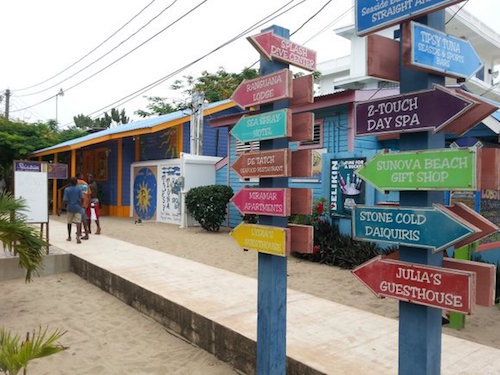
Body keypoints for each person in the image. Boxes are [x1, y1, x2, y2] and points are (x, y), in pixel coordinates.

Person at [61, 177, 83, 244]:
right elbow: (81, 198)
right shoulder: (79, 189)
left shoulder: (67, 189)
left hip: (70, 207)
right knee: (78, 222)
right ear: (76, 182)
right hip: (77, 207)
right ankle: (78, 236)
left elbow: (65, 200)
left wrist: (60, 208)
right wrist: (80, 205)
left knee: (69, 222)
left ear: (70, 183)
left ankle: (69, 236)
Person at [76, 172, 90, 240]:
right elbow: (89, 193)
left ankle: (81, 233)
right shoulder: (85, 184)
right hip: (85, 202)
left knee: (80, 219)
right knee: (82, 218)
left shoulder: (75, 183)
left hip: (78, 203)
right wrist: (88, 202)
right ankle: (81, 232)